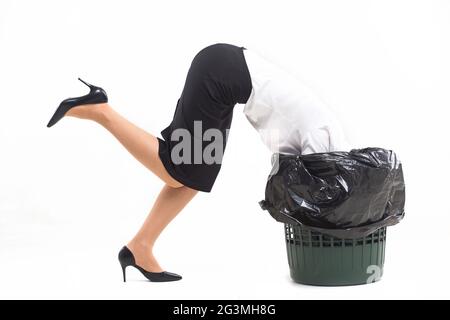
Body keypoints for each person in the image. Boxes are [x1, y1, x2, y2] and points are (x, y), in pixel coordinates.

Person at [46, 43, 350, 282]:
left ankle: (140, 247)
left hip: (225, 73)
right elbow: (310, 199)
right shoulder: (326, 142)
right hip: (220, 76)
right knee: (176, 168)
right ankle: (101, 110)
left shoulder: (328, 136)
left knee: (194, 177)